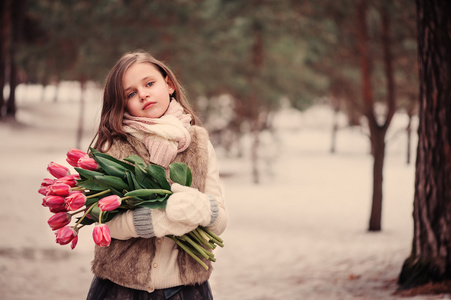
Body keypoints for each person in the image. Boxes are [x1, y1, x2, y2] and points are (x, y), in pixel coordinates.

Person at [86, 50, 228, 300]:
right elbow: (102, 219)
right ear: (122, 103)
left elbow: (220, 222)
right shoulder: (114, 146)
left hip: (186, 290)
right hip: (120, 289)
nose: (143, 94)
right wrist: (150, 221)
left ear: (169, 84)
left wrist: (203, 208)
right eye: (130, 93)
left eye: (149, 83)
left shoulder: (199, 144)